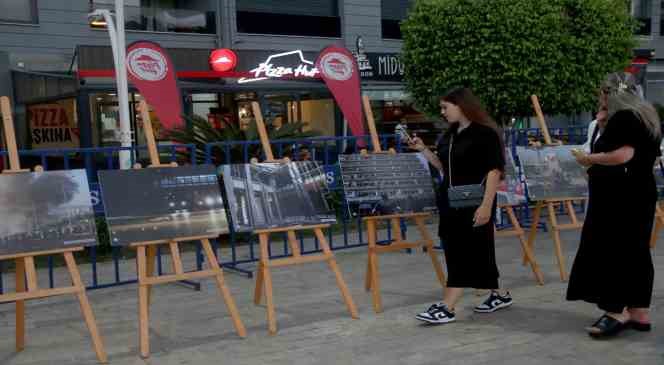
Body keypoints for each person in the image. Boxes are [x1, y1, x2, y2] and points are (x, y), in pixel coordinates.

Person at [568, 72, 661, 338]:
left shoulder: (624, 119)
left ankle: (615, 310)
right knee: (636, 251)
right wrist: (601, 123)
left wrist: (590, 159)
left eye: (602, 93)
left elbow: (623, 155)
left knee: (613, 250)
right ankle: (639, 311)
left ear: (610, 94)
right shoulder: (646, 116)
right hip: (640, 192)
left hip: (618, 197)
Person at [408, 87, 511, 324]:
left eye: (446, 107)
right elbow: (444, 168)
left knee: (464, 250)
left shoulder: (485, 134)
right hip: (451, 200)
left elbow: (494, 171)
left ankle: (448, 305)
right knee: (467, 248)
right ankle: (500, 294)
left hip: (476, 201)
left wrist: (486, 206)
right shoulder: (449, 135)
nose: (442, 112)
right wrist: (423, 150)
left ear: (462, 105)